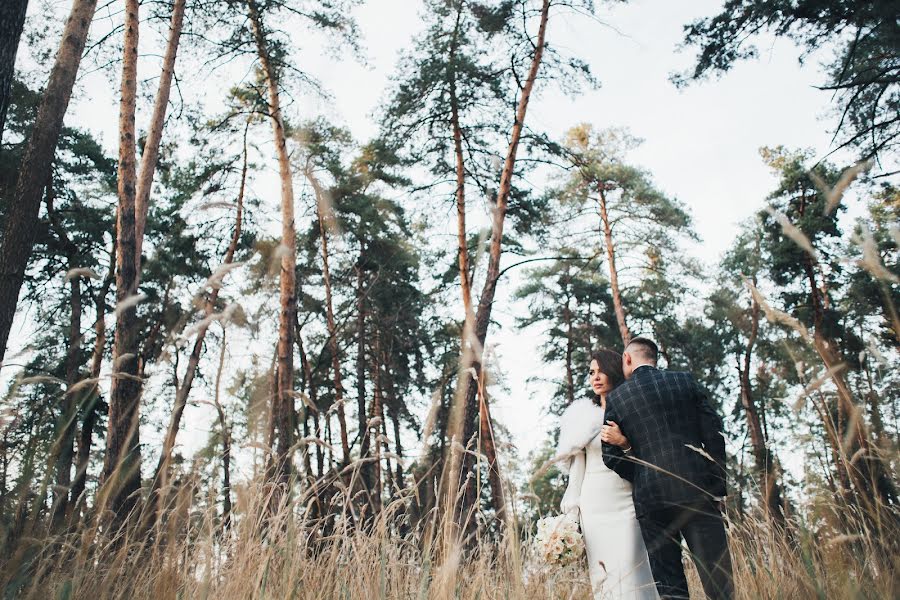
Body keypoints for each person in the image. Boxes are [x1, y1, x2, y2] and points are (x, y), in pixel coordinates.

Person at [602, 337, 733, 600]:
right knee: (719, 584)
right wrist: (716, 488)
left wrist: (641, 476)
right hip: (697, 491)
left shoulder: (618, 398)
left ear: (627, 359)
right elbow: (715, 435)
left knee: (670, 588)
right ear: (654, 358)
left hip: (652, 502)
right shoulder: (684, 381)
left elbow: (609, 455)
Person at [554, 348, 659, 599]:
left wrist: (623, 442)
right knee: (603, 577)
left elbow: (647, 460)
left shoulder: (633, 412)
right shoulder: (583, 418)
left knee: (632, 570)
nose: (596, 377)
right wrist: (571, 510)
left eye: (601, 371)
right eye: (592, 372)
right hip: (594, 507)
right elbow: (578, 471)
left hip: (627, 503)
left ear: (615, 371)